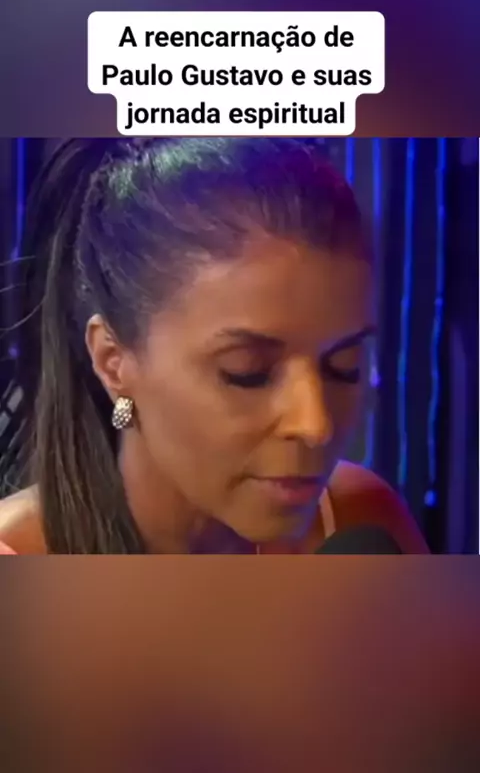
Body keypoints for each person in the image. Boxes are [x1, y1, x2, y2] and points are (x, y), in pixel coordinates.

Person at [0, 137, 428, 554]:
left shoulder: (361, 516)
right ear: (113, 362)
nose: (316, 426)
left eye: (345, 366)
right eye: (247, 372)